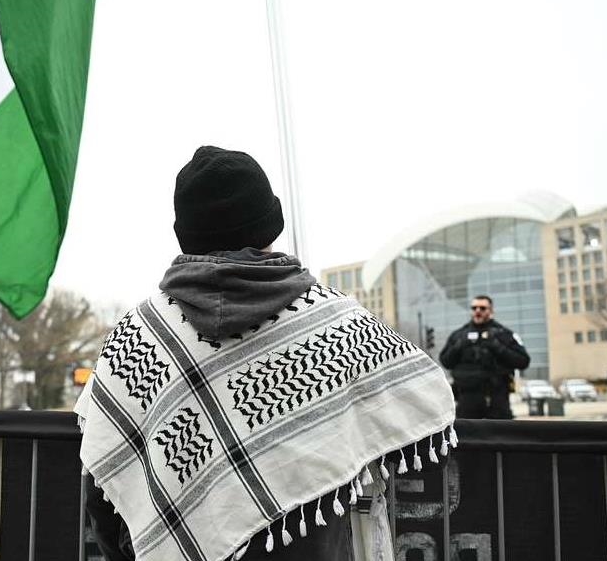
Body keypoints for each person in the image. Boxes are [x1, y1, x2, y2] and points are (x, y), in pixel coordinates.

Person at [75, 146, 457, 561]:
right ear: (270, 226)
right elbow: (421, 398)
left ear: (185, 233)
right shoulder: (336, 322)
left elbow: (104, 484)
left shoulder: (141, 335)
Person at [439, 295, 530, 419]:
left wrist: (497, 346)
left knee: (500, 435)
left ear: (491, 311)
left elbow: (523, 361)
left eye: (482, 308)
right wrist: (459, 346)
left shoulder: (504, 334)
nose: (478, 311)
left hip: (497, 398)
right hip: (467, 399)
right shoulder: (459, 335)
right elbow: (445, 361)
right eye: (474, 308)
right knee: (467, 436)